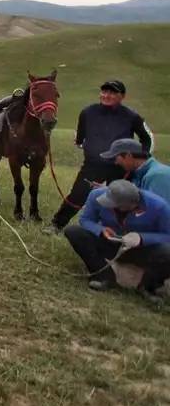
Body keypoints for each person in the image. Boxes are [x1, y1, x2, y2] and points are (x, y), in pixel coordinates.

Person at [49, 80, 153, 231]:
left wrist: (139, 159)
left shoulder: (131, 116)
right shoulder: (87, 112)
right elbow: (80, 138)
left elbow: (146, 139)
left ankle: (122, 229)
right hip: (93, 165)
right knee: (78, 194)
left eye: (112, 92)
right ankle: (56, 224)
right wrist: (82, 143)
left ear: (122, 96)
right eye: (104, 92)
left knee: (120, 198)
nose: (106, 95)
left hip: (120, 167)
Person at [64, 180, 170, 299]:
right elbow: (85, 220)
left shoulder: (159, 206)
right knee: (73, 231)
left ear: (132, 205)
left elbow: (167, 234)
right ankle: (103, 275)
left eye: (115, 205)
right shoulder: (96, 195)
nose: (110, 207)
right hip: (110, 242)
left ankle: (148, 287)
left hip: (141, 249)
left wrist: (141, 238)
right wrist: (101, 230)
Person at [102, 138, 170, 203]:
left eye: (116, 158)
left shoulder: (157, 175)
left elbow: (161, 210)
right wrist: (109, 191)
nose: (115, 162)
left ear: (128, 155)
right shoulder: (139, 173)